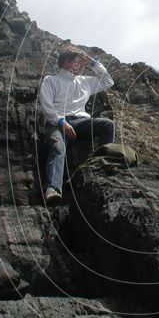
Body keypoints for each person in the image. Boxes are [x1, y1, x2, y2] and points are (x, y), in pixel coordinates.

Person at [39, 48, 115, 204]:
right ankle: (53, 189)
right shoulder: (50, 80)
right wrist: (62, 123)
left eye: (83, 62)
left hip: (81, 122)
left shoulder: (85, 81)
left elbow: (108, 81)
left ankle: (106, 167)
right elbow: (47, 108)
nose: (82, 65)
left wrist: (94, 64)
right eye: (78, 62)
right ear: (67, 62)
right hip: (57, 123)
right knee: (58, 147)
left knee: (108, 125)